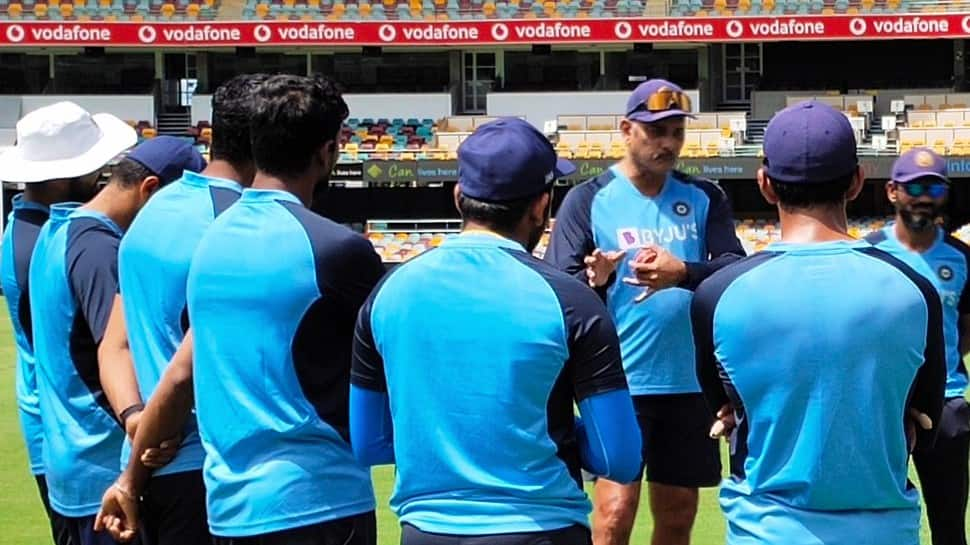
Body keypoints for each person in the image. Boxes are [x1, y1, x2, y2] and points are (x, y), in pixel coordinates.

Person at [96, 74, 382, 545]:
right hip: (321, 502)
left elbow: (180, 374)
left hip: (231, 511)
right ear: (328, 151)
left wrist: (129, 479)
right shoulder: (337, 249)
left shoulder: (209, 243)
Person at [350, 117, 642, 545]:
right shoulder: (572, 301)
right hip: (541, 529)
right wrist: (550, 434)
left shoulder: (387, 294)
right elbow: (619, 457)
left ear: (458, 197)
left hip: (426, 533)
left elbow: (369, 443)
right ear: (542, 205)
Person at [692, 100, 946, 545]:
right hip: (883, 531)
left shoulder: (717, 295)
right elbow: (922, 422)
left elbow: (725, 408)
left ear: (765, 184)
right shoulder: (915, 288)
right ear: (857, 181)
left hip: (763, 531)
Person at [544, 78, 745, 545]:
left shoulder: (705, 197)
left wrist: (684, 272)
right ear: (626, 129)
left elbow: (733, 269)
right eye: (656, 131)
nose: (668, 143)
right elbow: (559, 285)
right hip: (617, 382)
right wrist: (594, 281)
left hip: (689, 382)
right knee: (614, 515)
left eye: (676, 131)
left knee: (677, 517)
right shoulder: (588, 199)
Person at [97, 74, 265, 545]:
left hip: (154, 463)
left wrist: (136, 420)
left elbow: (115, 344)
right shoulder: (241, 221)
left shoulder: (153, 207)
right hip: (216, 472)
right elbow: (192, 366)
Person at [28, 131, 204, 544]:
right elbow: (119, 349)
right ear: (151, 190)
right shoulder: (101, 250)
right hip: (106, 463)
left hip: (71, 460)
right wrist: (145, 422)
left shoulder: (58, 231)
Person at [0, 101, 136, 545]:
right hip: (84, 434)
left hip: (56, 426)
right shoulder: (61, 240)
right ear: (65, 177)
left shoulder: (23, 228)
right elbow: (92, 346)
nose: (102, 179)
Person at [865, 147, 970, 545]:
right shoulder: (869, 253)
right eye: (915, 186)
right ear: (892, 191)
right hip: (883, 405)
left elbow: (965, 327)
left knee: (949, 527)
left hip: (947, 404)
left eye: (935, 187)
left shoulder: (961, 258)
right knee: (878, 521)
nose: (925, 196)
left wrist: (937, 368)